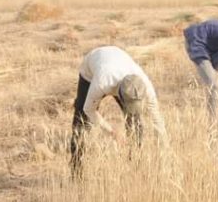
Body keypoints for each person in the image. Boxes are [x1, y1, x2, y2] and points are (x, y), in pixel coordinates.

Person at [70, 45, 167, 177]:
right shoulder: (102, 83)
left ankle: (135, 168)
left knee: (135, 121)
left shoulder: (144, 85)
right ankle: (76, 170)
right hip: (92, 67)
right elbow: (89, 110)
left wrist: (165, 149)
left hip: (118, 57)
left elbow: (156, 117)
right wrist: (112, 132)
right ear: (119, 95)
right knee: (81, 122)